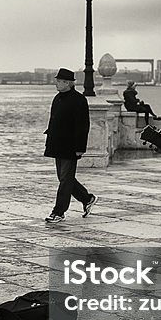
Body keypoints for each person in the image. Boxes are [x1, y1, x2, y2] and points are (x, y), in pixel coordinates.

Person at [43, 68, 96, 223]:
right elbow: (52, 122)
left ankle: (58, 212)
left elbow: (83, 126)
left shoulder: (79, 100)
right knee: (64, 178)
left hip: (71, 146)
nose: (56, 84)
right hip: (57, 144)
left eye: (59, 81)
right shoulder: (57, 98)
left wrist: (80, 148)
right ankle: (87, 198)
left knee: (65, 179)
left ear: (68, 83)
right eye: (57, 81)